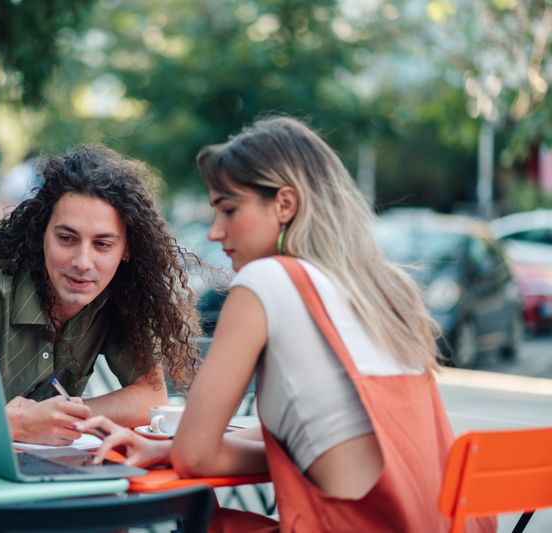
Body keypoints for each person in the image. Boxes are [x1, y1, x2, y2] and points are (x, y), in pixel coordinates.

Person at [78, 117, 496, 532]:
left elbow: (198, 456)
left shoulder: (266, 281)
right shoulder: (380, 289)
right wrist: (168, 447)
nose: (215, 231)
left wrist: (180, 449)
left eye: (229, 209)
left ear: (284, 204)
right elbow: (321, 440)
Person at [0, 144, 202, 447]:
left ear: (126, 249)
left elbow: (150, 396)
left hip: (19, 490)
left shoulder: (116, 297)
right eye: (67, 238)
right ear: (42, 232)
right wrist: (15, 424)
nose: (82, 262)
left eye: (102, 244)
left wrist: (65, 416)